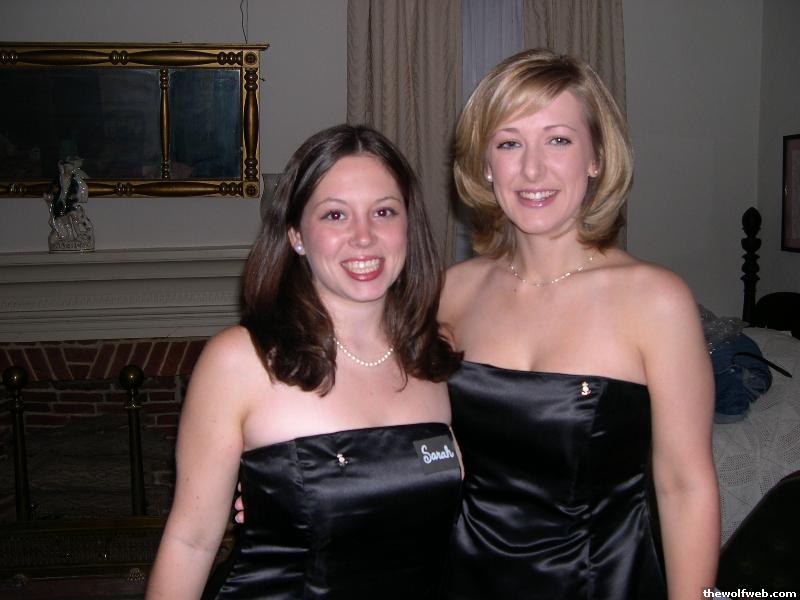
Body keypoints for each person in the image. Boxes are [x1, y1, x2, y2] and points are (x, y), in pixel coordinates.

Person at [437, 48, 720, 599]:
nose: (532, 169)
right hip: (463, 579)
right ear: (485, 164)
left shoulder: (655, 301)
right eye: (509, 143)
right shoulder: (449, 293)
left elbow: (685, 487)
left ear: (596, 157)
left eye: (559, 140)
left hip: (602, 582)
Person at [146, 124, 463, 600]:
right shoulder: (241, 362)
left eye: (383, 211)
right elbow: (190, 542)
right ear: (296, 235)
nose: (364, 237)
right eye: (335, 215)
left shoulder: (436, 355)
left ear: (408, 226)